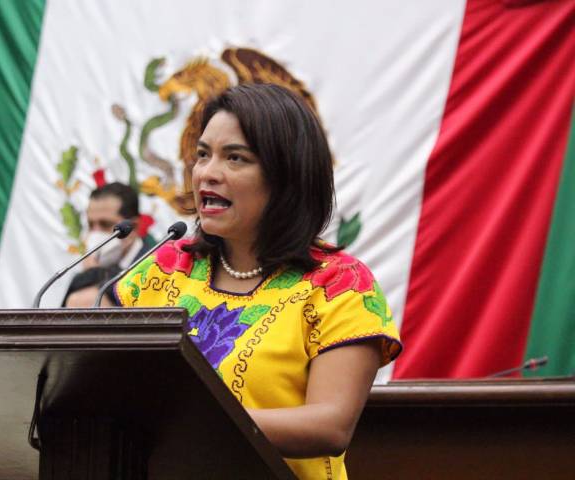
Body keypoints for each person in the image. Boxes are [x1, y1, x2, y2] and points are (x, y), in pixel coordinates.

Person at [114, 83, 401, 479]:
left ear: (286, 176)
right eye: (203, 154)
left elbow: (330, 425)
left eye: (235, 158)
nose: (207, 173)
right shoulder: (163, 268)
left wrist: (188, 424)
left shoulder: (339, 283)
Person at [63, 182, 153, 307]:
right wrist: (89, 275)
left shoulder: (155, 268)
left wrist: (96, 275)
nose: (95, 233)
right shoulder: (83, 273)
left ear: (133, 227)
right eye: (90, 225)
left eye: (105, 224)